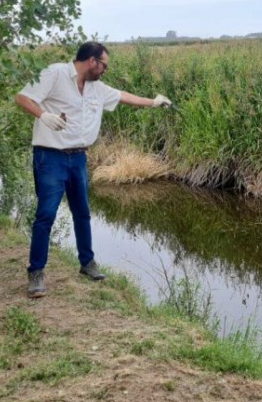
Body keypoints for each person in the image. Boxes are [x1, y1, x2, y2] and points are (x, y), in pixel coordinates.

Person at [15, 41, 173, 298]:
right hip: (50, 157)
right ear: (92, 61)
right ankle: (36, 273)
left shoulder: (96, 89)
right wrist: (43, 115)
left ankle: (87, 264)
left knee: (82, 213)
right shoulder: (55, 74)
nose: (105, 71)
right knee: (45, 215)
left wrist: (153, 103)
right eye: (104, 65)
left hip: (78, 158)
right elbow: (23, 97)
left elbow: (123, 96)